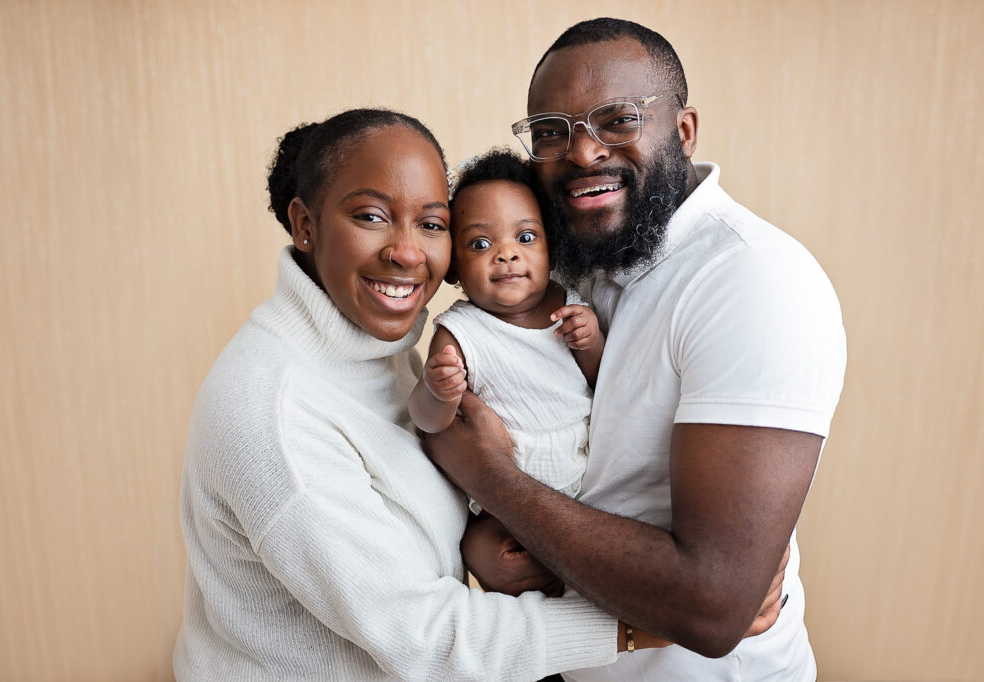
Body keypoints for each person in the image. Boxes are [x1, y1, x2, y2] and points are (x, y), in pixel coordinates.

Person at [422, 18, 847, 681]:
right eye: (551, 133)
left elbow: (713, 608)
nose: (583, 153)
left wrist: (490, 479)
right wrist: (487, 546)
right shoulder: (573, 258)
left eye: (617, 119)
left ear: (683, 130)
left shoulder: (753, 279)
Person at [173, 108, 651, 680]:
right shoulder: (270, 412)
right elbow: (424, 637)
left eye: (430, 224)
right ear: (305, 224)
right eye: (372, 216)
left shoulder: (384, 346)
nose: (406, 252)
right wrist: (649, 623)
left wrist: (488, 545)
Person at [409, 149, 603, 528]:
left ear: (551, 248)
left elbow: (602, 379)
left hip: (588, 468)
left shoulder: (567, 305)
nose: (507, 254)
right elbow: (427, 422)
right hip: (504, 485)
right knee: (483, 552)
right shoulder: (460, 332)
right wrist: (437, 392)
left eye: (526, 237)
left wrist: (591, 340)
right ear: (453, 267)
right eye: (481, 245)